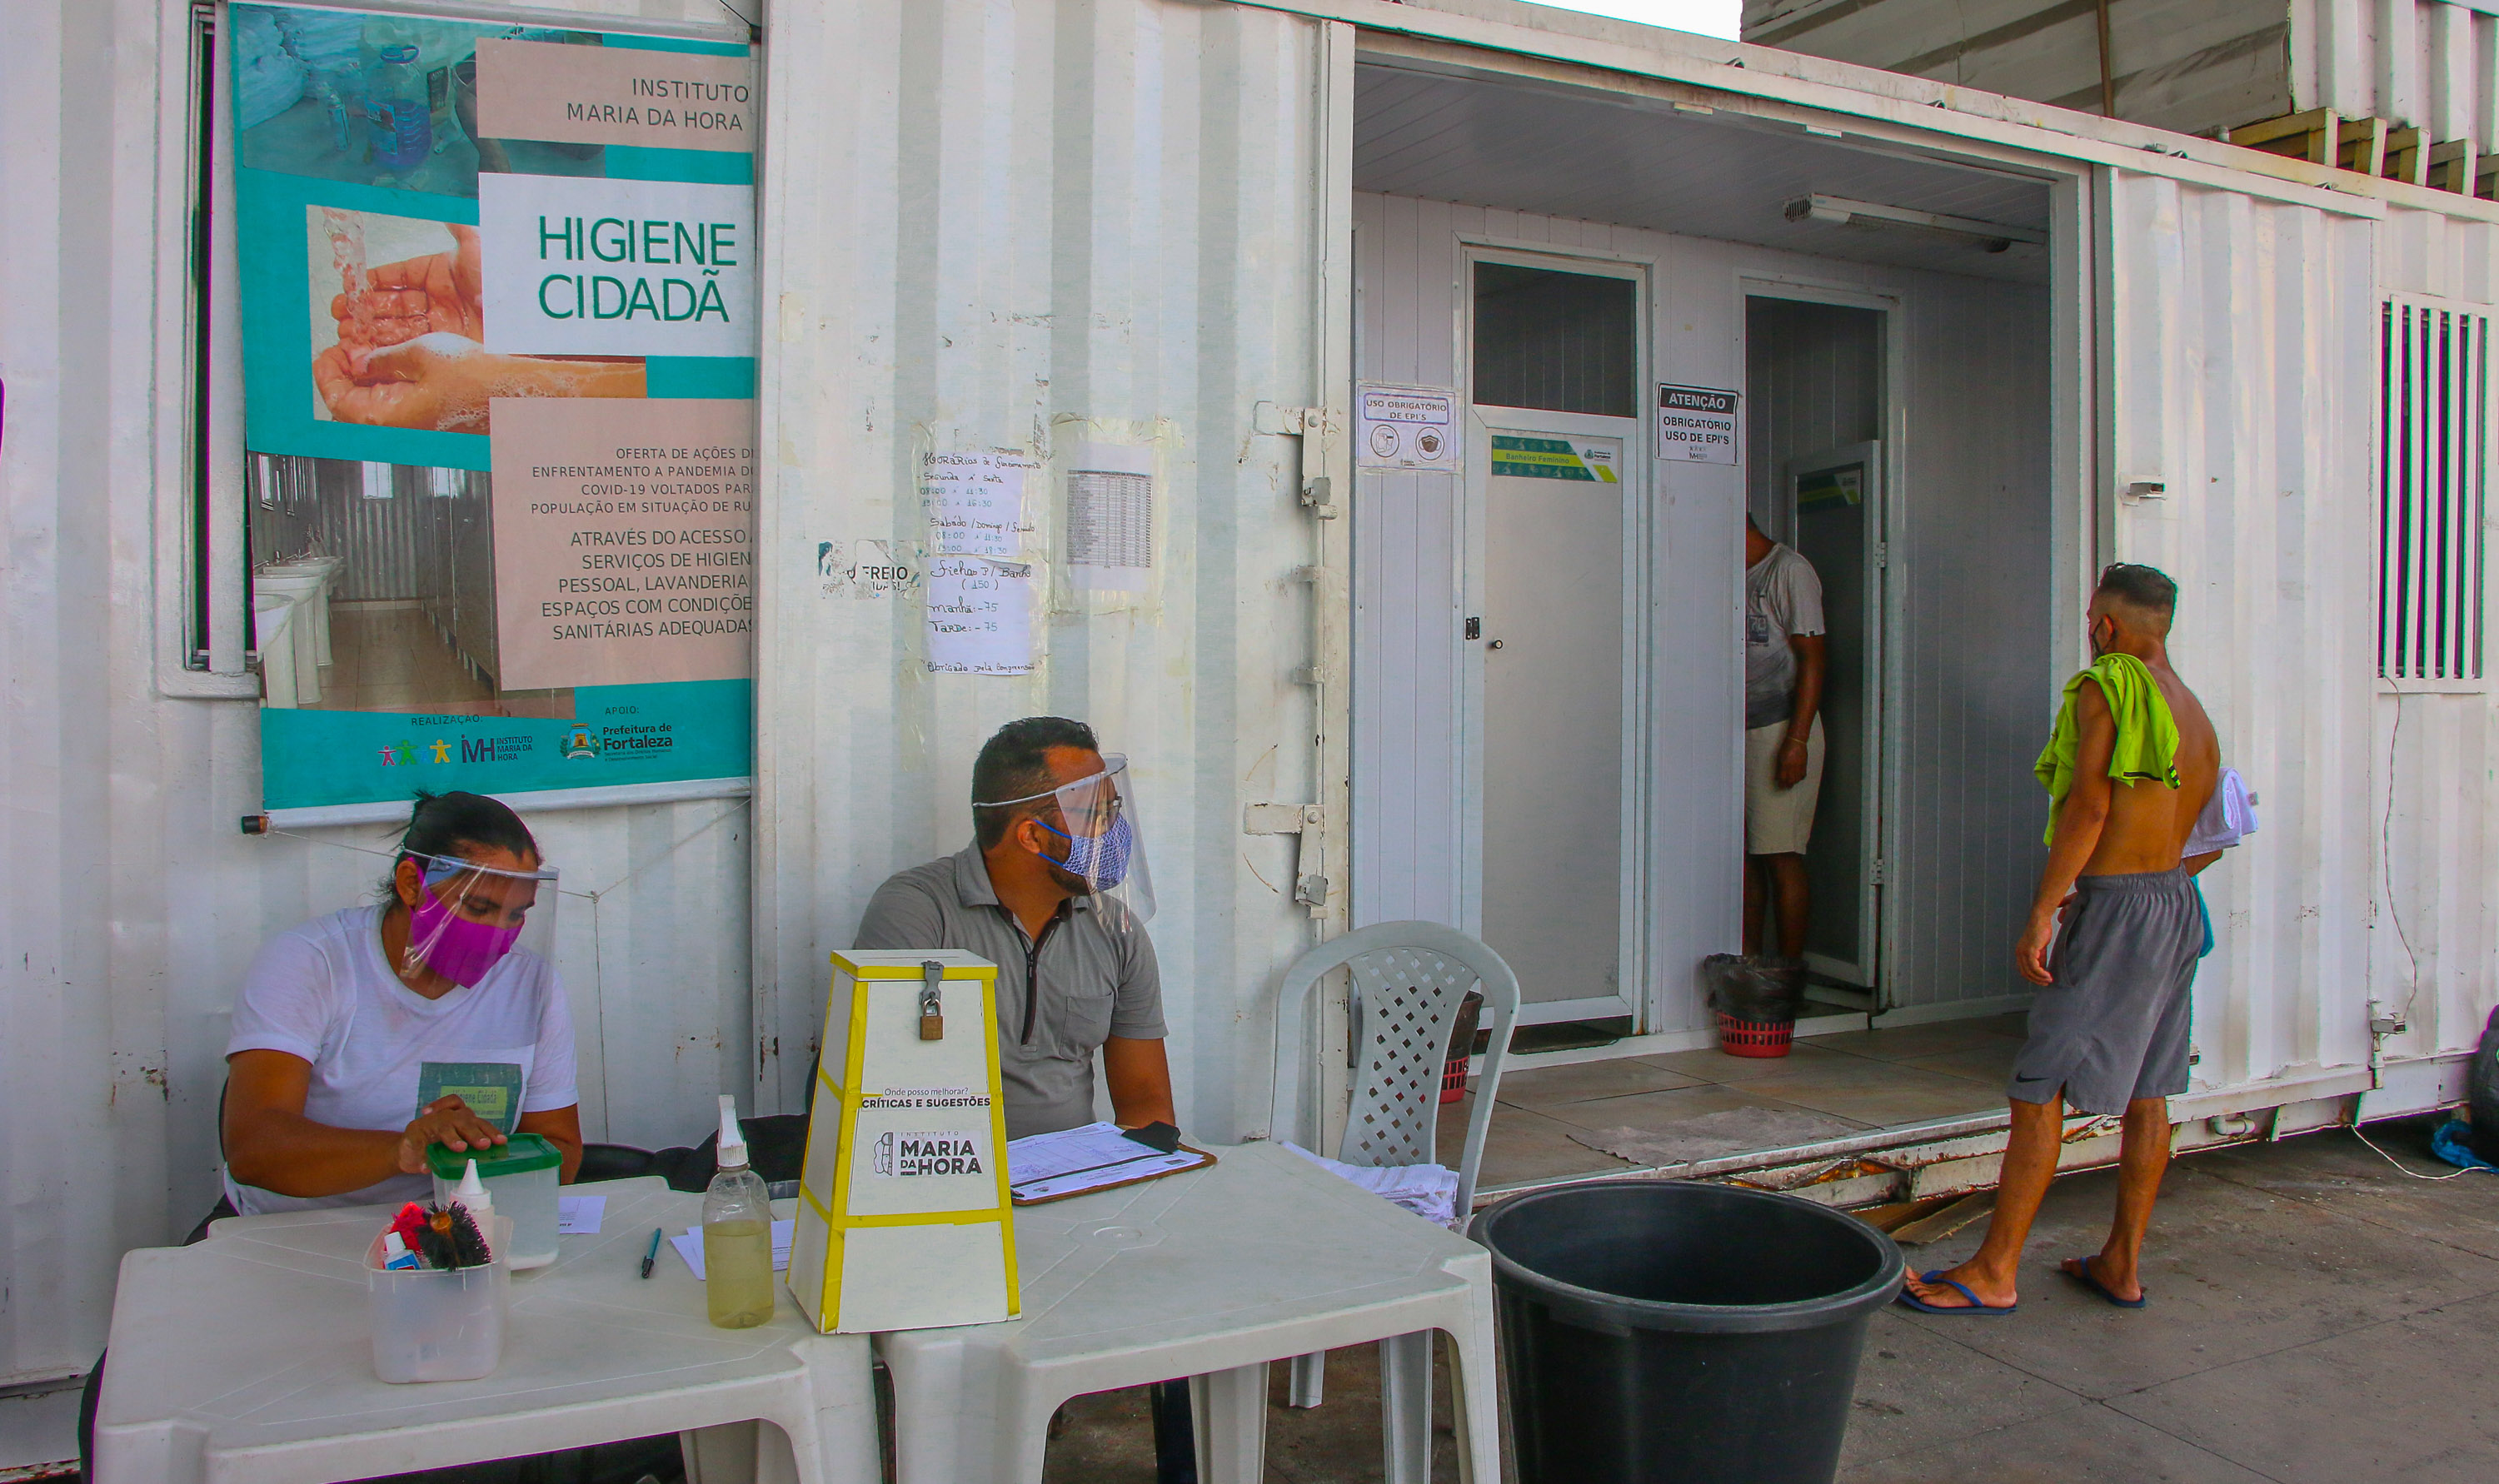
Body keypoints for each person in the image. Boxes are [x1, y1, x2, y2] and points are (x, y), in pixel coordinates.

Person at [1902, 564, 2219, 1315]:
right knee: (2149, 1089)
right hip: (2176, 900)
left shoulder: (2107, 684)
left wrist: (2047, 908)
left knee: (2039, 1086)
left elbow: (2089, 805)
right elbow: (2216, 828)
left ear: (2104, 625)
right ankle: (2120, 1264)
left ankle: (1995, 1271)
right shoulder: (2192, 709)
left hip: (2117, 909)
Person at [220, 789, 583, 1219]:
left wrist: (477, 1164)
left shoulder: (530, 982)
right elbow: (254, 1147)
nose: (497, 933)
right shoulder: (314, 961)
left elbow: (559, 1150)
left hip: (456, 1226)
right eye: (479, 907)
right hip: (299, 1225)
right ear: (412, 885)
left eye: (515, 915)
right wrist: (404, 1150)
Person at [855, 715, 1176, 1138]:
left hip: (1077, 1180)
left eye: (1113, 809)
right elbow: (883, 1093)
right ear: (1030, 835)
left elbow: (1146, 1102)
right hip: (948, 1180)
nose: (1113, 830)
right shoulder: (917, 912)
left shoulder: (1117, 930)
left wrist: (1134, 1180)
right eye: (1095, 814)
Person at [1743, 512, 1828, 960]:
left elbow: (1813, 659)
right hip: (1735, 727)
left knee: (1780, 853)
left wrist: (1796, 742)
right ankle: (1750, 969)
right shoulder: (1727, 572)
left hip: (1780, 726)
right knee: (1744, 858)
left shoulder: (1788, 571)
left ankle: (1789, 978)